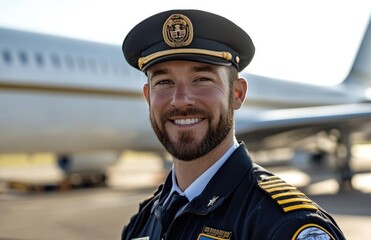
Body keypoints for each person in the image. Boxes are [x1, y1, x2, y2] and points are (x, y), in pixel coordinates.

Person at [121, 9, 346, 240]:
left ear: (237, 93)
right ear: (148, 97)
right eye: (164, 82)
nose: (180, 99)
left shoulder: (286, 226)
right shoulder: (142, 223)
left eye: (202, 79)